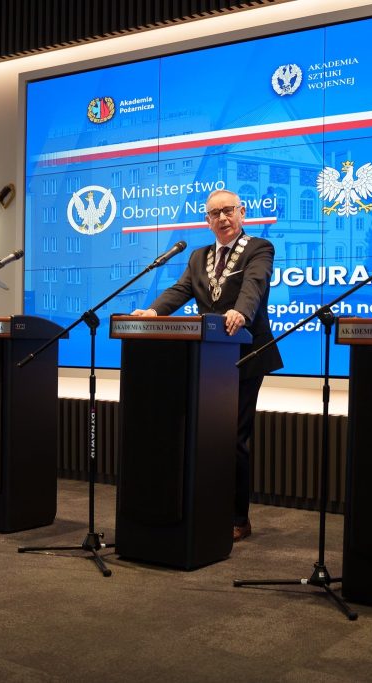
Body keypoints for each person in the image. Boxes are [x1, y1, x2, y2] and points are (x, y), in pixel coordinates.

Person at [132, 188, 282, 542]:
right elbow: (180, 289)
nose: (222, 218)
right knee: (204, 434)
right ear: (207, 221)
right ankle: (205, 507)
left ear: (242, 213)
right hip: (206, 358)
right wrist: (153, 312)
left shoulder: (259, 248)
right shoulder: (199, 256)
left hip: (246, 354)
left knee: (233, 438)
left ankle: (238, 518)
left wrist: (240, 313)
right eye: (215, 213)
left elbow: (254, 285)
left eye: (228, 210)